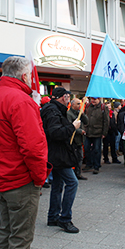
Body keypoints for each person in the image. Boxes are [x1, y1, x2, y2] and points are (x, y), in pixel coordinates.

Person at [0, 56, 48, 249]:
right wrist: (39, 177)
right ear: (24, 75)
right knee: (20, 238)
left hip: (0, 175)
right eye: (30, 75)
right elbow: (33, 146)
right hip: (20, 179)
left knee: (6, 232)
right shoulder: (20, 100)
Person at [41, 87, 81, 233]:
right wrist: (72, 127)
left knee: (58, 184)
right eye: (68, 98)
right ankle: (65, 219)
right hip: (57, 154)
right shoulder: (53, 111)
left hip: (57, 154)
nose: (69, 101)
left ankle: (53, 216)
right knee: (72, 183)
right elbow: (55, 133)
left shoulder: (53, 109)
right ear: (64, 97)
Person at [83, 97, 109, 174]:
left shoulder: (103, 107)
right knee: (87, 148)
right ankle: (89, 164)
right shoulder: (88, 106)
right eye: (92, 99)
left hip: (98, 132)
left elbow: (106, 121)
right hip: (88, 132)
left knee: (97, 150)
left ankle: (96, 166)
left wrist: (104, 133)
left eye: (95, 99)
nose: (93, 100)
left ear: (99, 99)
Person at [67, 98, 89, 180]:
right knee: (75, 157)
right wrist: (79, 131)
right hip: (74, 139)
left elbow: (87, 122)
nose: (80, 105)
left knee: (80, 157)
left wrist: (83, 115)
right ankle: (74, 174)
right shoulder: (69, 114)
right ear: (73, 105)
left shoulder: (79, 113)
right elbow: (70, 126)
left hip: (80, 140)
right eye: (78, 104)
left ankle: (78, 173)